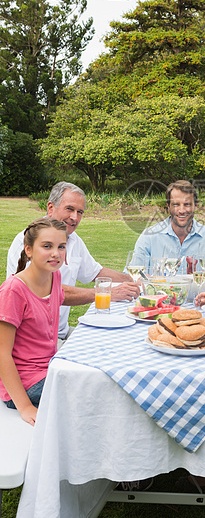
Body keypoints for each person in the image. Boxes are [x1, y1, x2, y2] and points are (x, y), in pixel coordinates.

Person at [7, 182, 139, 342]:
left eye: (80, 212)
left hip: (60, 333)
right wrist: (104, 294)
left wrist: (133, 280)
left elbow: (95, 272)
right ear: (50, 208)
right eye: (69, 209)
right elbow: (43, 291)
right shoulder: (28, 242)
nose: (75, 217)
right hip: (35, 340)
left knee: (114, 339)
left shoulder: (73, 240)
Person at [0, 218, 67, 425]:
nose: (55, 253)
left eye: (61, 246)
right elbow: (1, 352)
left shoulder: (54, 278)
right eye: (47, 246)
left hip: (49, 369)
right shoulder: (14, 290)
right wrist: (25, 406)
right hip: (23, 385)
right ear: (28, 250)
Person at [132, 180, 205, 276]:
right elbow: (133, 277)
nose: (181, 210)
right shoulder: (149, 236)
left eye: (187, 204)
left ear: (195, 206)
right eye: (176, 204)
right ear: (168, 206)